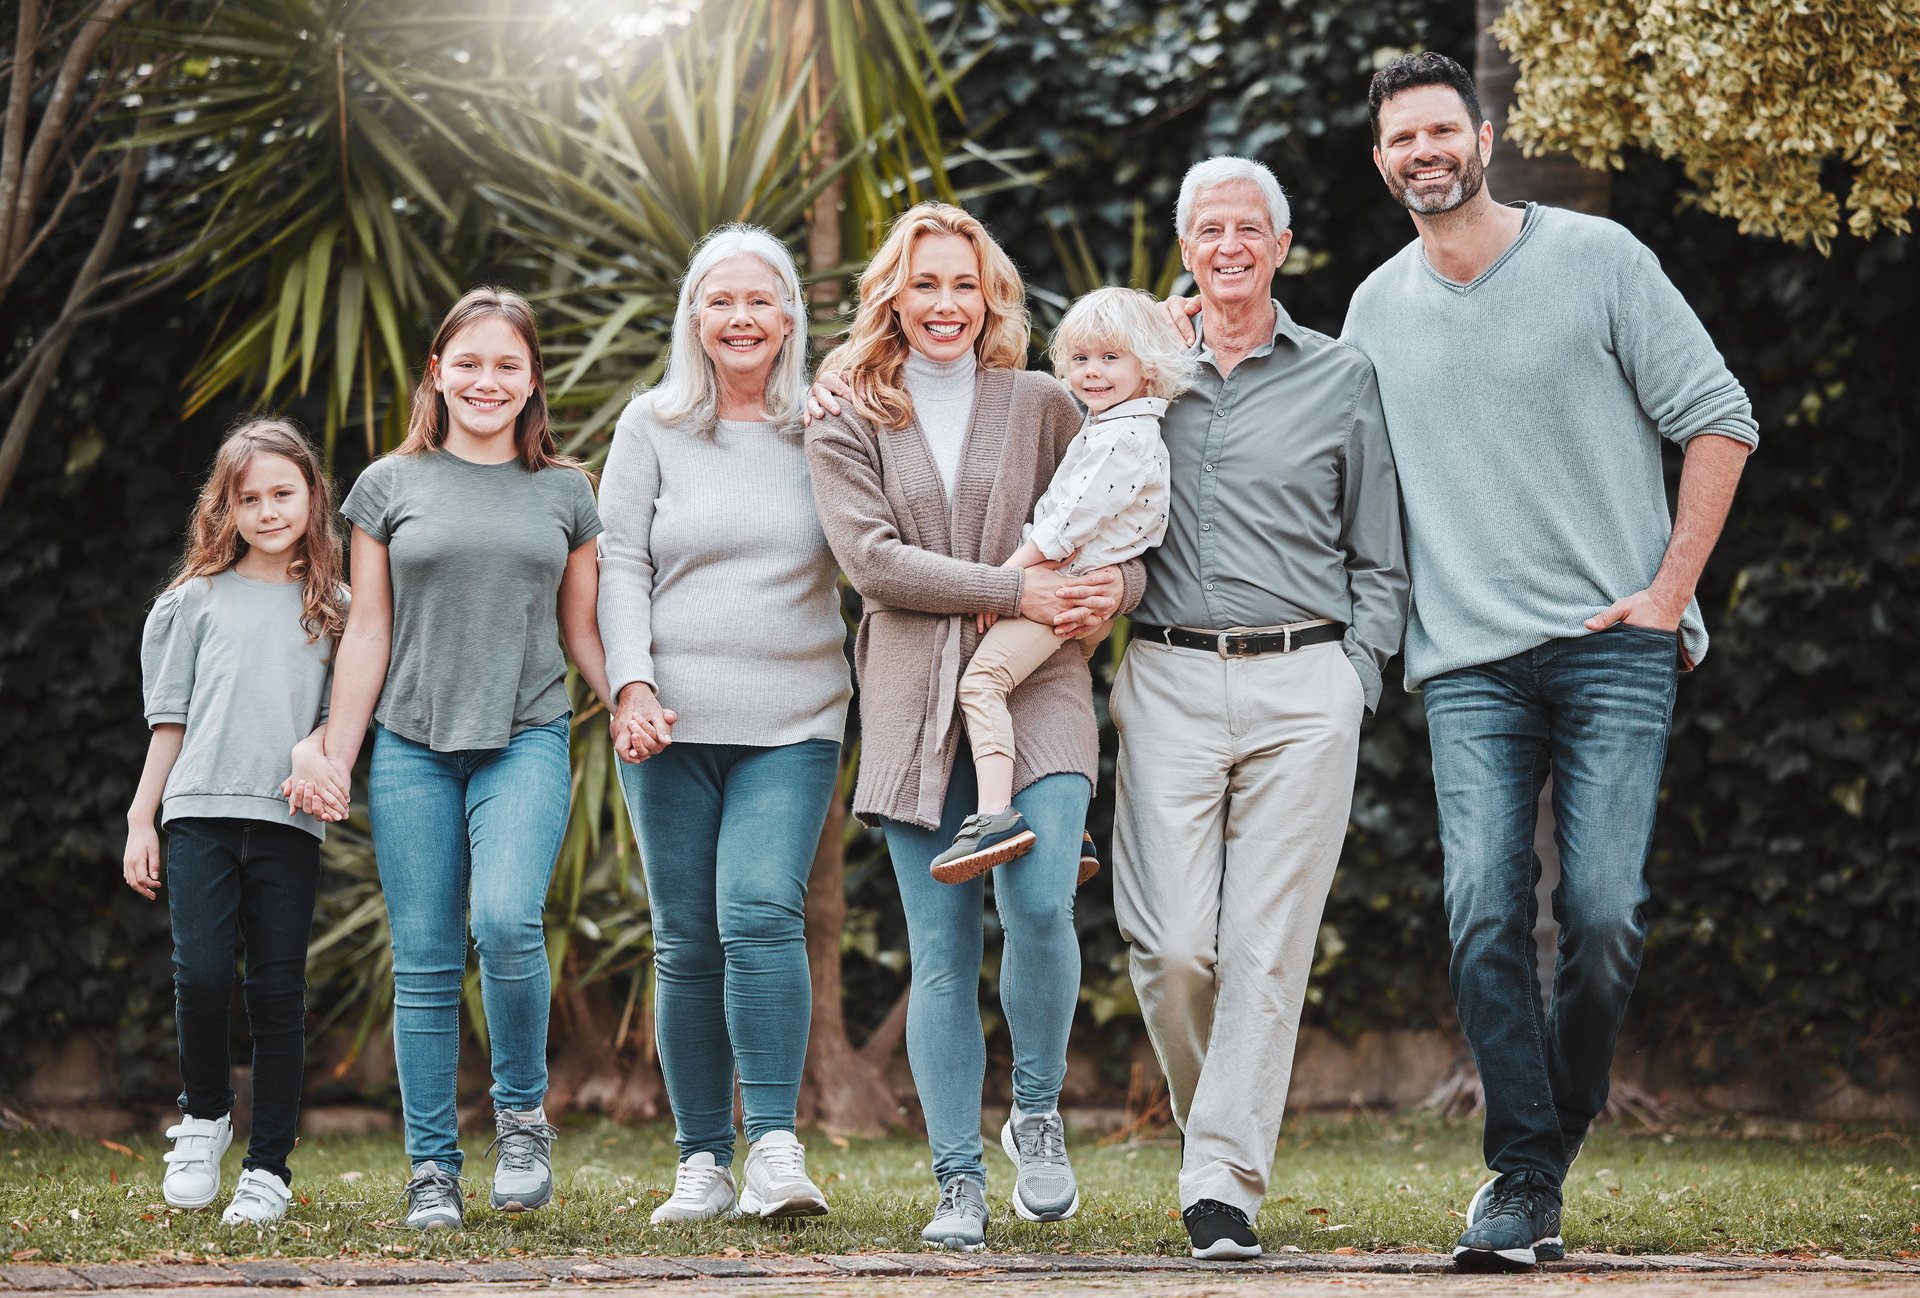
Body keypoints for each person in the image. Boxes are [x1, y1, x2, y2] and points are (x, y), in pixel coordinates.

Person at [1342, 52, 1758, 1272]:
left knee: (1604, 912)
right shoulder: (1373, 311)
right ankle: (1525, 1174)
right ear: (1382, 162)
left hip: (1613, 644)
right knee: (1481, 909)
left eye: (1441, 130)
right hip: (1469, 660)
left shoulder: (1600, 259)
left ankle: (1543, 1148)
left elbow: (1720, 416)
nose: (1424, 153)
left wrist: (1667, 596)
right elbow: (1328, 454)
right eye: (1401, 140)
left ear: (1481, 138)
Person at [804, 202, 1142, 1250]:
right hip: (912, 697)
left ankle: (1035, 1113)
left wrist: (1120, 588)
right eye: (925, 284)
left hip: (1037, 683)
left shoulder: (1042, 401)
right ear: (892, 297)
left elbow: (1119, 512)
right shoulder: (847, 412)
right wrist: (1013, 587)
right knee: (941, 949)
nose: (945, 304)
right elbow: (872, 563)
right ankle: (957, 1178)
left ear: (990, 296)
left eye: (964, 284)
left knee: (1039, 902)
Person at [294, 288, 616, 1230]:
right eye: (468, 363)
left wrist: (629, 697)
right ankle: (431, 1168)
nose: (487, 380)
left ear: (532, 379)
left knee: (508, 921)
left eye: (507, 365)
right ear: (437, 372)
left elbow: (583, 630)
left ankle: (521, 1118)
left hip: (525, 734)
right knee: (427, 961)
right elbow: (368, 630)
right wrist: (336, 751)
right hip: (410, 745)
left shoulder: (567, 492)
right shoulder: (387, 486)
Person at [1137, 157, 1408, 1260]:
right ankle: (1219, 1127)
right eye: (1209, 229)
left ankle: (1221, 1182)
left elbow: (1379, 551)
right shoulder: (1142, 369)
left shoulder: (1343, 375)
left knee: (1266, 948)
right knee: (1170, 949)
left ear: (1282, 247)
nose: (1230, 246)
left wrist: (1357, 676)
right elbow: (1029, 416)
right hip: (1167, 675)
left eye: (1250, 228)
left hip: (1306, 683)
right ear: (1186, 248)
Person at [597, 226, 851, 1224]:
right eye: (721, 301)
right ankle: (701, 1159)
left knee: (758, 911)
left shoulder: (825, 424)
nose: (741, 318)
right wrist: (630, 684)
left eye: (760, 300)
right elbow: (622, 561)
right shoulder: (651, 424)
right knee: (686, 938)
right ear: (694, 317)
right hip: (669, 722)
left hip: (795, 718)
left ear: (789, 316)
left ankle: (776, 1150)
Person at [123, 418, 347, 1225]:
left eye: (283, 493)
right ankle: (205, 1116)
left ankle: (267, 1169)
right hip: (199, 816)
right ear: (226, 508)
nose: (267, 511)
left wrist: (319, 747)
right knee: (204, 975)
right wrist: (141, 817)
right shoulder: (193, 602)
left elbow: (344, 718)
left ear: (312, 496)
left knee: (278, 992)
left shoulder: (337, 610)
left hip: (288, 824)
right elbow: (169, 723)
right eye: (249, 499)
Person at [932, 286, 1195, 885]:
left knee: (982, 682)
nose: (1092, 372)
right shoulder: (1109, 426)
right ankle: (1067, 827)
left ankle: (994, 817)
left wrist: (1005, 581)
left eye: (1110, 358)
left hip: (1061, 587)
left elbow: (1065, 526)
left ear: (1147, 366)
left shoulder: (1123, 438)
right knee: (1023, 683)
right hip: (1075, 588)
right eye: (1080, 359)